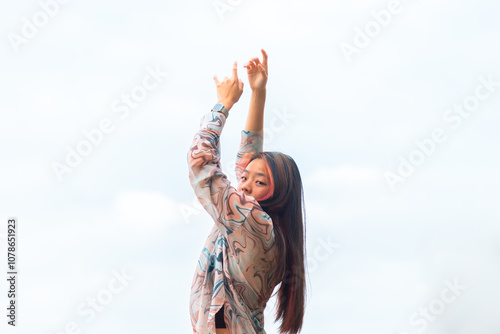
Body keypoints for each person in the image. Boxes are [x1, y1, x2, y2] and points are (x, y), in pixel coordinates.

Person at [187, 49, 307, 334]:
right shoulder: (271, 229)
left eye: (260, 182)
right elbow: (248, 159)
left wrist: (222, 105)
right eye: (246, 178)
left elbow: (200, 165)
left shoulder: (251, 221)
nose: (244, 183)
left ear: (277, 195)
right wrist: (258, 92)